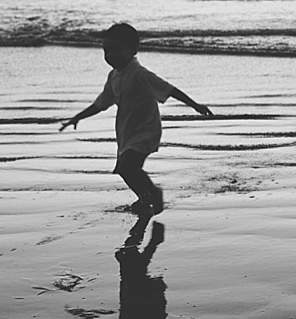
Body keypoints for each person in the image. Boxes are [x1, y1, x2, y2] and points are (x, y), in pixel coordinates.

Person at [60, 22, 213, 213]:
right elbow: (100, 103)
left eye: (116, 50)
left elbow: (169, 89)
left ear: (133, 49)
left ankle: (153, 194)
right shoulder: (114, 76)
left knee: (128, 167)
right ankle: (144, 198)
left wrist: (195, 105)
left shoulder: (140, 74)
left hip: (145, 131)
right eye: (106, 51)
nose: (110, 56)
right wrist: (77, 117)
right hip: (127, 133)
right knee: (125, 170)